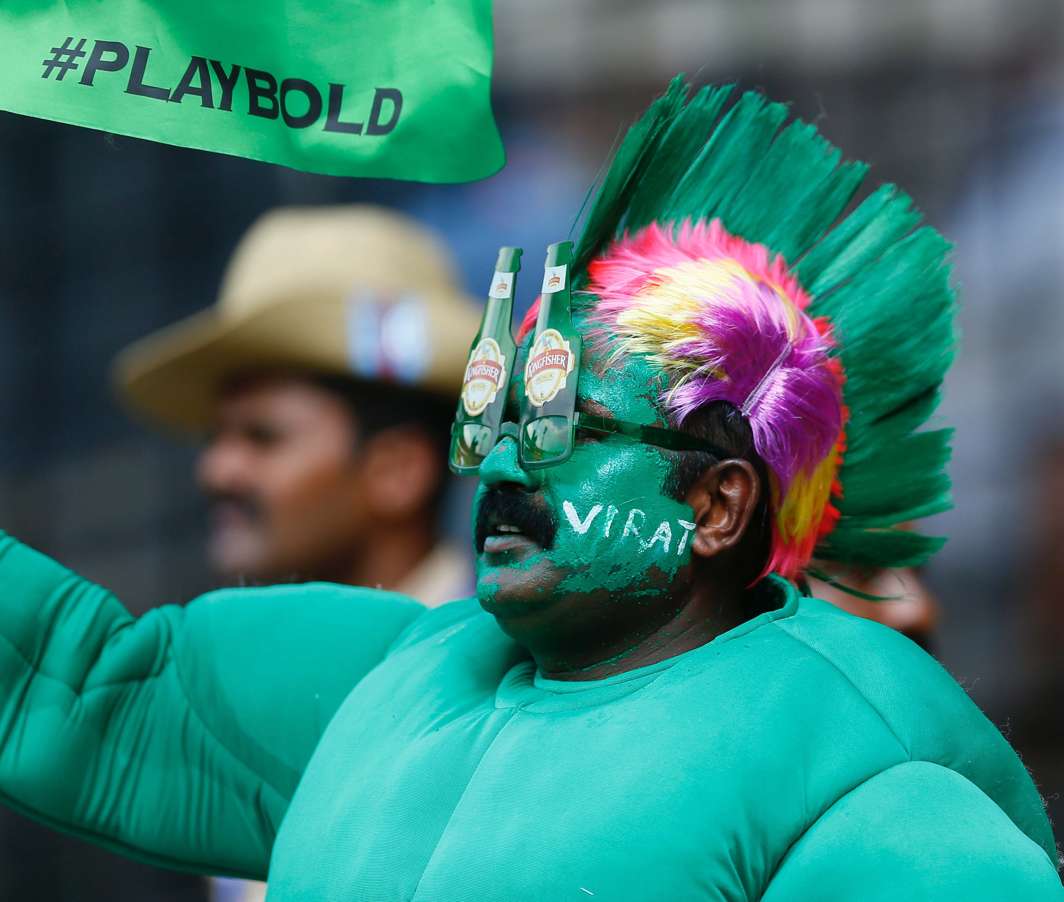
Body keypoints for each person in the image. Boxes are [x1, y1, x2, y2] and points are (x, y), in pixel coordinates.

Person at [0, 79, 1060, 899]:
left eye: (558, 427)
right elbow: (77, 686)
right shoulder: (392, 670)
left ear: (714, 504)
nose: (502, 462)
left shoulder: (852, 766)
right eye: (495, 417)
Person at [114, 204, 480, 605]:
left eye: (263, 438)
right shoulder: (241, 661)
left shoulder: (518, 660)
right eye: (214, 437)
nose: (216, 471)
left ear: (399, 471)